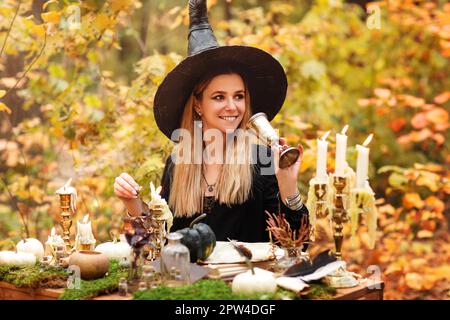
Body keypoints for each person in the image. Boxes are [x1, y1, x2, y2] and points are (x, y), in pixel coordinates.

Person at [113, 0, 308, 242]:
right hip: (193, 280)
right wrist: (133, 202)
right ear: (198, 104)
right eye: (219, 97)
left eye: (239, 96)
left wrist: (288, 185)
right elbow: (160, 242)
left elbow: (298, 244)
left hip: (249, 279)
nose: (232, 106)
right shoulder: (177, 164)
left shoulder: (263, 161)